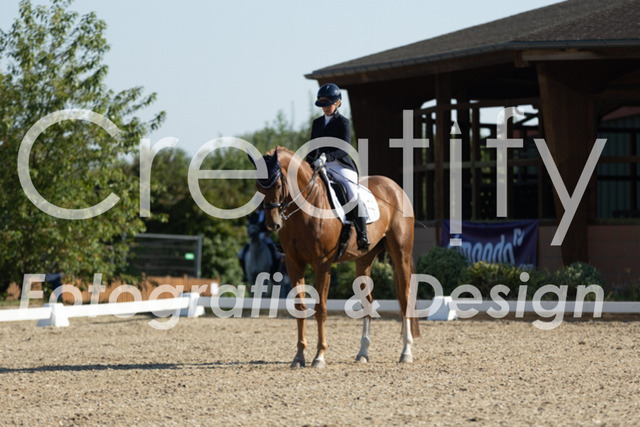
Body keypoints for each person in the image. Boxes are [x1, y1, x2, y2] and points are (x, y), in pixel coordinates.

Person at [305, 83, 370, 251]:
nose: (326, 108)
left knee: (351, 192)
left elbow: (344, 149)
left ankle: (362, 234)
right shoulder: (317, 123)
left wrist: (326, 157)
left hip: (340, 165)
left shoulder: (343, 122)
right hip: (319, 165)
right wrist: (306, 164)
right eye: (323, 105)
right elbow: (312, 147)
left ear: (338, 102)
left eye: (329, 104)